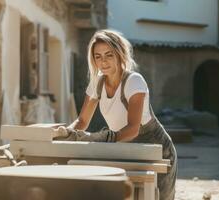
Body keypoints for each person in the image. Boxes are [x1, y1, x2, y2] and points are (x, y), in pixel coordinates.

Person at [55, 29, 177, 200]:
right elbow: (82, 120)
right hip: (124, 148)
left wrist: (102, 139)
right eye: (98, 56)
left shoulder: (134, 81)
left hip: (156, 150)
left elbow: (133, 129)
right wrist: (67, 134)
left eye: (108, 55)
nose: (103, 62)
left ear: (119, 54)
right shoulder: (97, 84)